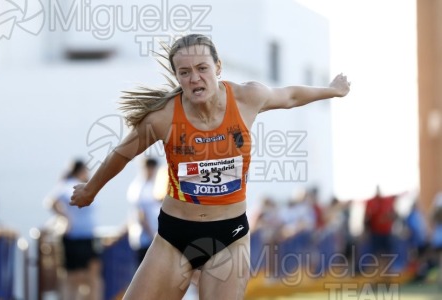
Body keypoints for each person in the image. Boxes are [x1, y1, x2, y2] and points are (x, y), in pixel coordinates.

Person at [70, 34, 350, 299]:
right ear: (178, 77)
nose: (195, 78)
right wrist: (90, 190)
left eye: (202, 68)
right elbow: (121, 154)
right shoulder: (163, 118)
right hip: (174, 237)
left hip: (228, 238)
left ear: (218, 67)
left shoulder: (246, 98)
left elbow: (289, 96)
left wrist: (332, 90)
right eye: (185, 72)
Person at [45, 159, 103, 300]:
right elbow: (50, 201)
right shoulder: (67, 185)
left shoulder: (85, 186)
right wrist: (66, 218)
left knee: (92, 277)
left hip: (88, 236)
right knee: (73, 278)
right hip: (74, 237)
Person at [127, 157, 163, 265]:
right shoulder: (138, 188)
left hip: (156, 237)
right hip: (146, 239)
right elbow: (140, 215)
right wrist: (153, 235)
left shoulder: (155, 186)